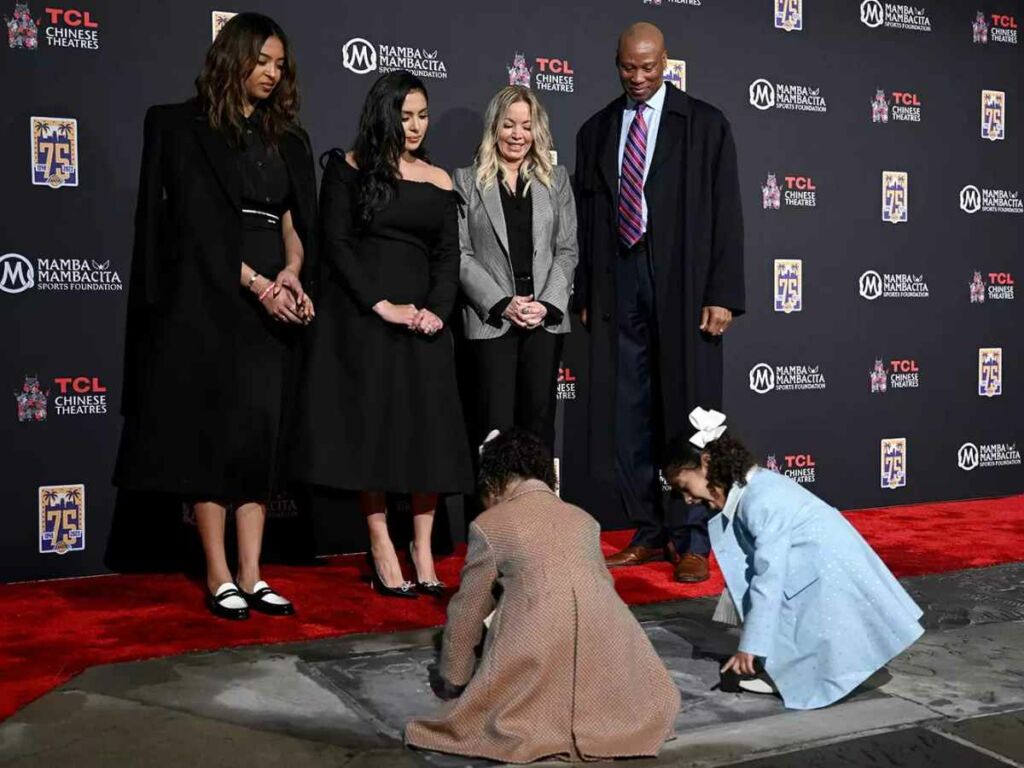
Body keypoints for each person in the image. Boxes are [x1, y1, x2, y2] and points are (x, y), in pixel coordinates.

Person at [114, 12, 317, 620]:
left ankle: (254, 573)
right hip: (210, 301)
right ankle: (218, 571)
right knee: (214, 439)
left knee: (259, 439)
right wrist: (257, 285)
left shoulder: (288, 138)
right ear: (234, 59)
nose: (272, 74)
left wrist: (292, 272)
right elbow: (192, 230)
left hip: (271, 302)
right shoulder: (182, 126)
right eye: (262, 61)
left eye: (280, 65)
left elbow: (291, 217)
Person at [573, 22, 745, 583]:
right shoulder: (596, 130)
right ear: (616, 63)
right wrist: (584, 290)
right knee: (630, 412)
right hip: (620, 281)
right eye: (629, 67)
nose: (639, 78)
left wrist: (723, 293)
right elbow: (585, 223)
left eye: (649, 67)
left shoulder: (705, 125)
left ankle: (693, 535)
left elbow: (727, 216)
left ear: (667, 61)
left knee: (693, 411)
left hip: (685, 284)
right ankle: (648, 530)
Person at [293, 71, 473, 599]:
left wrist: (437, 312)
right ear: (383, 114)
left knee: (429, 435)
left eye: (422, 115)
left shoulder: (440, 180)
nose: (414, 126)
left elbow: (447, 257)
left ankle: (421, 546)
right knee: (371, 432)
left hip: (425, 322)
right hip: (364, 320)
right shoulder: (348, 170)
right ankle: (380, 542)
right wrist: (382, 305)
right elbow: (338, 246)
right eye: (404, 115)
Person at [405, 429, 679, 762]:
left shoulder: (490, 525)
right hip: (612, 644)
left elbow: (468, 610)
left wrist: (455, 677)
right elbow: (600, 587)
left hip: (537, 644)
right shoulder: (584, 520)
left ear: (494, 481)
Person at [663, 408, 925, 710]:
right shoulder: (752, 487)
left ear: (706, 463)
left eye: (684, 487)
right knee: (792, 605)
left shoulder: (759, 500)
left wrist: (751, 645)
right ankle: (798, 665)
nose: (687, 500)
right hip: (821, 564)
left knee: (790, 604)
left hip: (825, 568)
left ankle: (791, 674)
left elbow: (767, 575)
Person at [453, 85, 577, 453]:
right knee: (493, 430)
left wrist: (546, 304)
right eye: (509, 125)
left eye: (526, 125)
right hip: (492, 320)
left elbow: (567, 250)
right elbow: (460, 253)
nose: (518, 135)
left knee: (537, 427)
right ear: (495, 127)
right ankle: (494, 512)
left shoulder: (556, 181)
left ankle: (535, 510)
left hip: (544, 320)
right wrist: (502, 302)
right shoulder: (467, 180)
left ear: (537, 130)